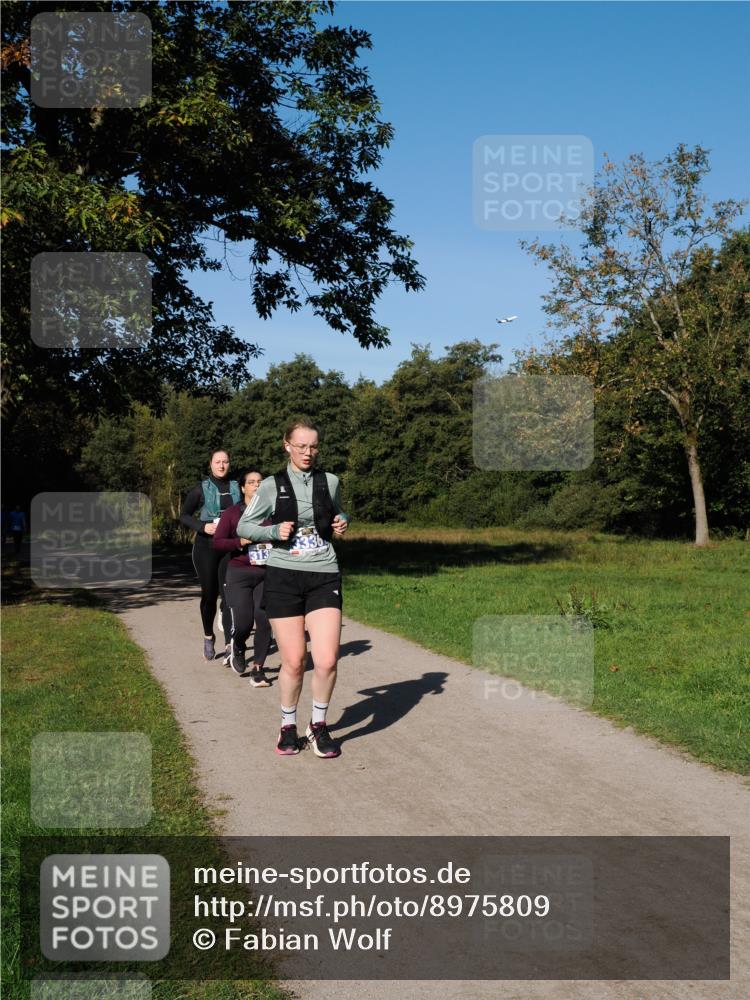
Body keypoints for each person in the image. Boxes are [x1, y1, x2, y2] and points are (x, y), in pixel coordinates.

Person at [238, 417, 350, 758]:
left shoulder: (330, 481)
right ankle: (288, 725)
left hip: (324, 573)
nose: (308, 452)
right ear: (287, 445)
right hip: (284, 576)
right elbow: (245, 526)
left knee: (326, 660)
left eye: (313, 446)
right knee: (295, 661)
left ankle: (317, 726)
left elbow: (338, 512)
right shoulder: (271, 485)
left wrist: (342, 521)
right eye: (301, 446)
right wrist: (273, 532)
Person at [212, 468, 273, 688]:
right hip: (239, 573)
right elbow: (218, 542)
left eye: (260, 482)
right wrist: (239, 542)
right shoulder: (232, 513)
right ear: (242, 487)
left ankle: (258, 669)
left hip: (266, 573)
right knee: (244, 623)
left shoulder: (272, 512)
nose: (256, 485)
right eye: (252, 482)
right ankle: (238, 645)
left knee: (264, 620)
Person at [179, 450, 240, 662]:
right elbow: (184, 515)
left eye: (225, 461)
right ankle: (208, 636)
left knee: (230, 594)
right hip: (206, 547)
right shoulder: (201, 489)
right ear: (211, 464)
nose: (221, 465)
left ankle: (230, 644)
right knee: (209, 595)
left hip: (230, 546)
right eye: (217, 462)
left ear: (229, 463)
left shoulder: (237, 487)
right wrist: (203, 526)